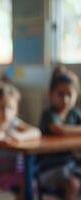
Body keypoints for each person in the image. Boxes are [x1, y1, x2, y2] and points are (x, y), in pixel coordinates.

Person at [38, 66, 81, 200]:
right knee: (72, 184)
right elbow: (58, 129)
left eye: (69, 94)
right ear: (51, 94)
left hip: (70, 164)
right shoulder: (49, 114)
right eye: (60, 94)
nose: (65, 99)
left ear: (76, 95)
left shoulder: (75, 113)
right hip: (50, 167)